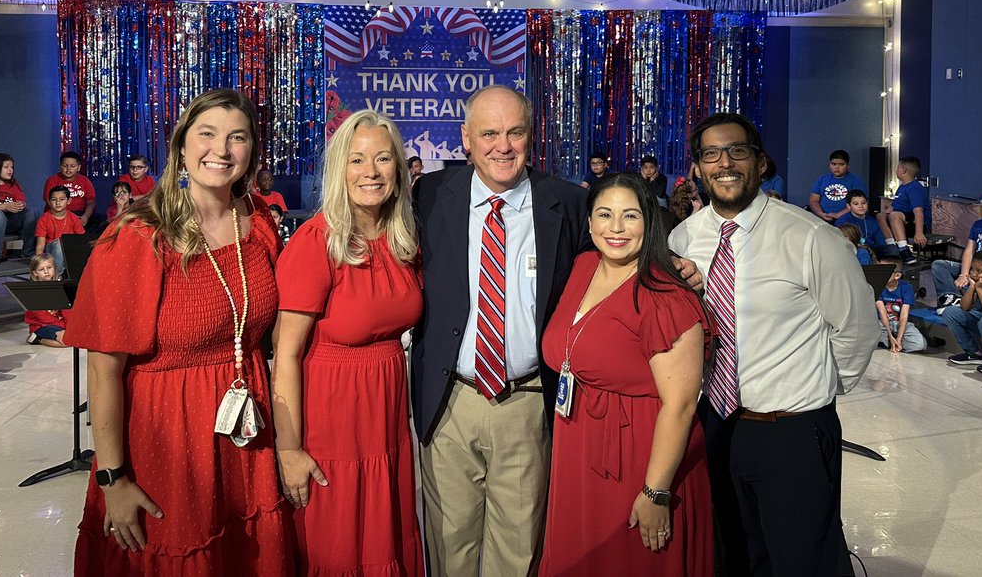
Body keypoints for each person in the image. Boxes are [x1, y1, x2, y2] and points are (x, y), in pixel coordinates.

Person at [62, 88, 288, 575]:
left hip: (247, 434)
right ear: (181, 146)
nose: (222, 150)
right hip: (166, 439)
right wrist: (112, 477)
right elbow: (104, 370)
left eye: (237, 138)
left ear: (252, 151)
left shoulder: (260, 222)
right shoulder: (139, 234)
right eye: (207, 134)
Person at [668, 113, 878, 576]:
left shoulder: (810, 237)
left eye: (737, 151)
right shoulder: (683, 238)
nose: (725, 163)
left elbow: (857, 329)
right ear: (698, 168)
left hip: (791, 430)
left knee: (803, 559)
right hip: (716, 424)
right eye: (711, 154)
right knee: (733, 554)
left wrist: (814, 396)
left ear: (760, 163)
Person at [412, 85, 589, 577]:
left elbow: (621, 252)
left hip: (528, 402)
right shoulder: (427, 196)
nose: (502, 146)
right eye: (489, 133)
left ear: (531, 136)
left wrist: (676, 264)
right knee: (450, 547)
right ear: (466, 139)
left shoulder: (569, 204)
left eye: (515, 132)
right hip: (451, 400)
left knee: (518, 549)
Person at [271, 110, 424, 576]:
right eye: (357, 161)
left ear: (398, 169)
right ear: (339, 170)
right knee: (338, 542)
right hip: (332, 413)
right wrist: (290, 450)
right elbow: (287, 356)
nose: (370, 172)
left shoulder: (403, 240)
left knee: (383, 532)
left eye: (382, 159)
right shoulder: (316, 242)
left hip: (385, 411)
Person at [539, 172, 712, 576]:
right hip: (579, 445)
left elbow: (682, 404)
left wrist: (656, 491)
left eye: (630, 216)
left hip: (640, 455)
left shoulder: (665, 294)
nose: (615, 228)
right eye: (604, 214)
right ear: (589, 222)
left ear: (650, 221)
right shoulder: (583, 267)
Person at [878, 156, 929, 265]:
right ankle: (892, 247)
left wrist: (919, 233)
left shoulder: (915, 188)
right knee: (881, 215)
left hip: (914, 223)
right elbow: (894, 206)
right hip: (899, 220)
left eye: (897, 168)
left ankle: (904, 250)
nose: (896, 170)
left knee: (894, 215)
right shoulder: (901, 187)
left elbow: (918, 212)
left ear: (903, 170)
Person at [35, 185, 86, 276]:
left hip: (69, 250)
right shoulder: (44, 219)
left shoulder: (74, 218)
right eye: (54, 199)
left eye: (62, 199)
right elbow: (40, 245)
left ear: (68, 201)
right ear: (49, 202)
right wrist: (38, 263)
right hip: (51, 250)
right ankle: (56, 276)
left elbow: (81, 240)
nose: (58, 203)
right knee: (59, 243)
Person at [874, 269, 926, 354]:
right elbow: (882, 313)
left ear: (897, 275)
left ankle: (895, 343)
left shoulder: (906, 287)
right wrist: (890, 336)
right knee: (870, 338)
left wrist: (899, 338)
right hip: (882, 324)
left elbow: (904, 316)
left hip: (899, 324)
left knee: (919, 344)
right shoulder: (877, 286)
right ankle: (890, 341)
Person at [24, 253, 70, 348]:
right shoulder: (33, 293)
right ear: (35, 273)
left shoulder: (60, 287)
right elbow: (43, 317)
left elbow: (66, 309)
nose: (46, 271)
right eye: (41, 269)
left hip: (60, 323)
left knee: (77, 337)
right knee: (67, 342)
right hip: (41, 326)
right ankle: (38, 339)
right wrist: (64, 327)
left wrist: (70, 325)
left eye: (49, 267)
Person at [808, 149, 867, 222]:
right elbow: (813, 201)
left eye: (841, 164)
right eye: (834, 164)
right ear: (829, 165)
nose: (837, 167)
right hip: (822, 218)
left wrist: (838, 215)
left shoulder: (857, 181)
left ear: (848, 166)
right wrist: (820, 214)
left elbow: (859, 204)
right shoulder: (821, 180)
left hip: (848, 219)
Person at [44, 151, 97, 227]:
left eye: (72, 166)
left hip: (81, 214)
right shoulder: (52, 181)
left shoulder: (85, 181)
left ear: (79, 167)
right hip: (58, 213)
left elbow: (91, 202)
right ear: (60, 166)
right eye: (65, 165)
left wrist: (85, 217)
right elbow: (50, 202)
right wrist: (68, 217)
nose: (68, 169)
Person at [835, 190, 891, 261]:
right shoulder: (843, 221)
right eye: (856, 204)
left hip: (872, 249)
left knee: (891, 249)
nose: (861, 206)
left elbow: (881, 243)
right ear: (849, 206)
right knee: (863, 253)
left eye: (863, 203)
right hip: (853, 249)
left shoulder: (872, 221)